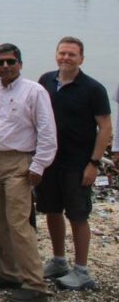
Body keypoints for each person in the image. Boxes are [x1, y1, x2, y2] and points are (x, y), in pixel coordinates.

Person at [0, 44, 57, 301]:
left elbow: (46, 131)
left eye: (11, 62)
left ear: (20, 63)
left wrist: (39, 165)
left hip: (19, 163)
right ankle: (9, 272)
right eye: (0, 63)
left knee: (19, 224)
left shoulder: (35, 91)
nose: (6, 67)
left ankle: (35, 284)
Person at [37, 36, 112, 291]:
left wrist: (94, 163)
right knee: (52, 210)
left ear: (81, 58)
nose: (66, 58)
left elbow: (105, 128)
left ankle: (81, 271)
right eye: (62, 53)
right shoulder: (46, 81)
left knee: (78, 215)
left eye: (72, 54)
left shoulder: (93, 88)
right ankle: (59, 260)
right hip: (49, 161)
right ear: (56, 54)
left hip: (78, 163)